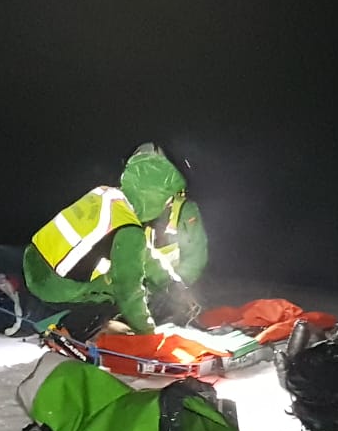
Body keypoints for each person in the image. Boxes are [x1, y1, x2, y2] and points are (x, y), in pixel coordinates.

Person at [21, 143, 208, 338]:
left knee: (110, 282)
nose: (166, 206)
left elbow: (147, 255)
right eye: (167, 199)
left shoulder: (106, 195)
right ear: (154, 194)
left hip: (34, 263)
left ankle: (58, 317)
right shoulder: (129, 229)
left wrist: (173, 285)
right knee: (114, 298)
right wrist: (148, 334)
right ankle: (69, 331)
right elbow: (129, 291)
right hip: (53, 286)